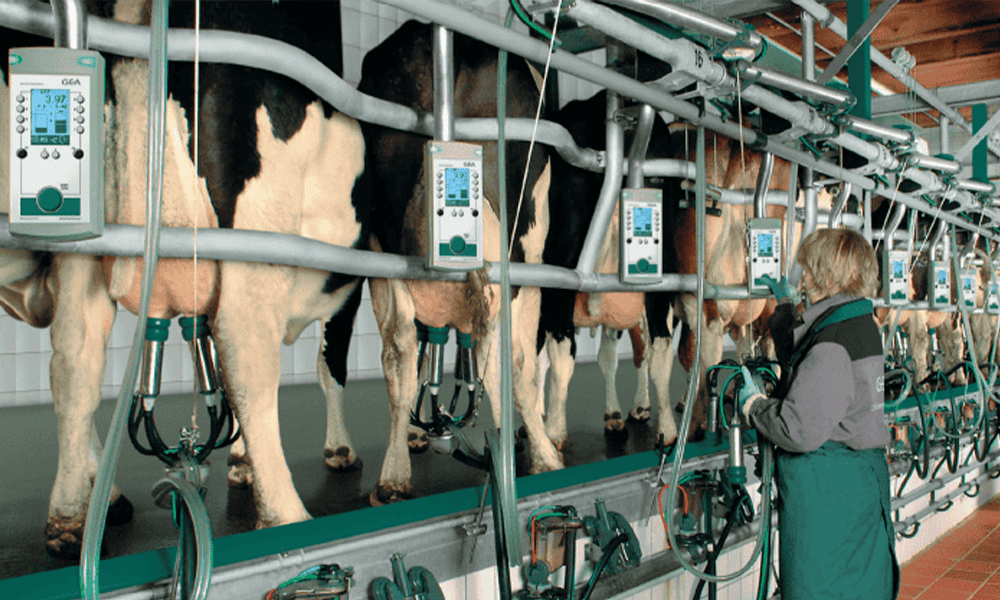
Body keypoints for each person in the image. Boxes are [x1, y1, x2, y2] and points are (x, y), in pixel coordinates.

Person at [738, 227, 899, 600]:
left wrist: (754, 406)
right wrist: (784, 312)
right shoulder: (859, 324)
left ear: (829, 275)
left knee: (821, 590)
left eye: (809, 269)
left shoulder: (834, 344)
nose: (804, 278)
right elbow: (807, 352)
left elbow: (799, 429)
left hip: (831, 495)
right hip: (859, 484)